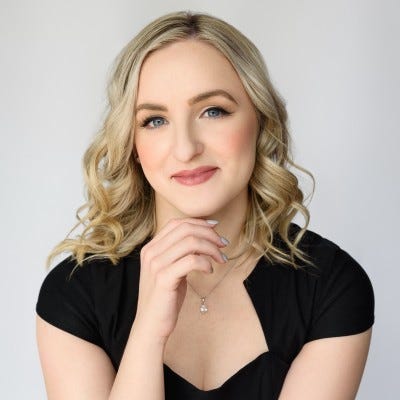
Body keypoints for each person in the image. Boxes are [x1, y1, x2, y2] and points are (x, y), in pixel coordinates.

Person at [36, 10, 375, 399]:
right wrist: (147, 332)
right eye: (154, 120)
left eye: (213, 111)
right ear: (132, 144)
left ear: (261, 121)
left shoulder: (330, 285)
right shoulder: (72, 295)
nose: (185, 148)